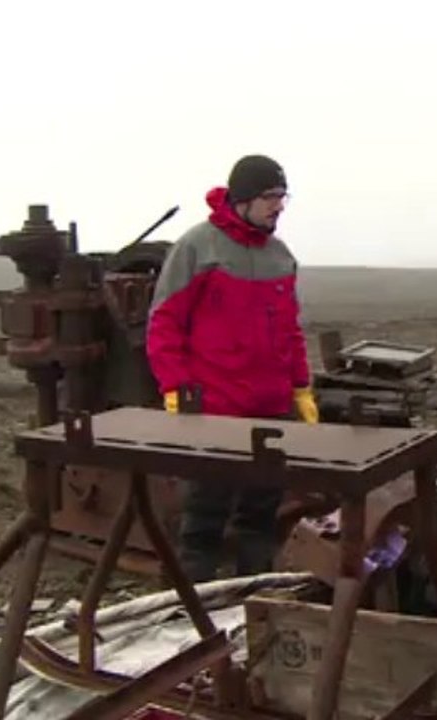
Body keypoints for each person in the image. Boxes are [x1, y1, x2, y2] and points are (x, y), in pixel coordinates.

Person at [146, 154, 320, 582]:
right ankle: (189, 610)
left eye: (283, 197)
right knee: (205, 519)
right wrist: (176, 387)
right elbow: (164, 323)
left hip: (272, 409)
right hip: (216, 411)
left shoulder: (281, 257)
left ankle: (252, 602)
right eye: (269, 197)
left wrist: (301, 389)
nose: (278, 206)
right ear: (242, 200)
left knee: (260, 518)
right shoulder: (197, 248)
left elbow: (289, 332)